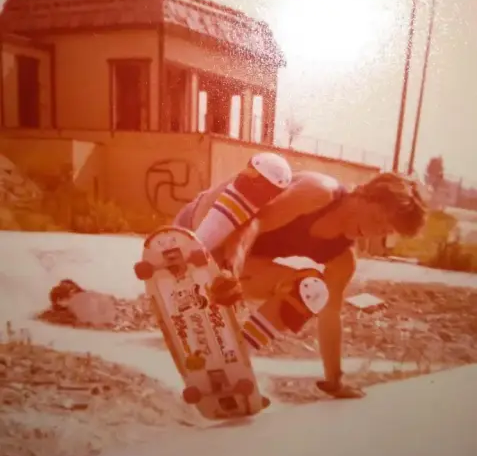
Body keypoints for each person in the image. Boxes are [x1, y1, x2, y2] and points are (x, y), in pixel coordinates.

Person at [174, 152, 427, 400]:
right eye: (376, 218)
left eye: (383, 230)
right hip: (204, 225)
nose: (372, 231)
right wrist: (232, 270)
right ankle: (191, 252)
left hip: (229, 265)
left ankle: (233, 358)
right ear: (363, 193)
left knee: (311, 288)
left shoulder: (342, 259)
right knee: (262, 178)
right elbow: (255, 223)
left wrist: (334, 380)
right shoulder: (319, 192)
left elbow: (330, 315)